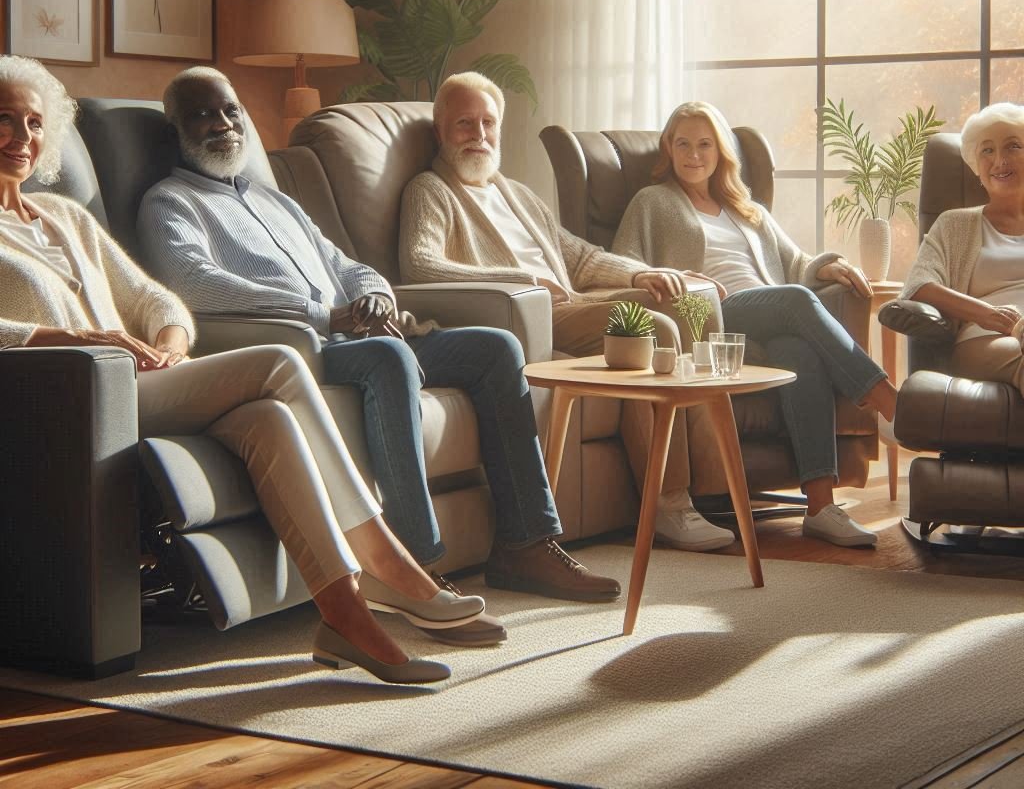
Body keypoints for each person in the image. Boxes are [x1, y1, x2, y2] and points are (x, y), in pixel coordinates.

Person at [0, 53, 491, 685]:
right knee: (280, 364)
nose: (22, 137)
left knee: (267, 420)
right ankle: (390, 565)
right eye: (4, 120)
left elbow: (158, 299)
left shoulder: (66, 216)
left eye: (34, 123)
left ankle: (346, 619)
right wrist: (72, 335)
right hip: (74, 393)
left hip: (146, 377)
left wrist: (172, 342)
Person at [137, 67, 620, 650]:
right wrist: (324, 312)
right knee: (389, 357)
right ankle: (415, 568)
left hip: (361, 332)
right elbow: (196, 285)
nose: (221, 124)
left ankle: (525, 544)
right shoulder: (169, 203)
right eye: (202, 115)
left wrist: (374, 294)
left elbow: (347, 264)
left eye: (230, 111)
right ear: (176, 129)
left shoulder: (273, 200)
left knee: (496, 350)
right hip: (299, 352)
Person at [399, 71, 737, 553]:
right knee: (652, 329)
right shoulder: (430, 190)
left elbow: (579, 257)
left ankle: (711, 486)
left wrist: (642, 274)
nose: (478, 136)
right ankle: (668, 501)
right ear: (439, 131)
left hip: (572, 304)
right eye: (464, 124)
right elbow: (420, 263)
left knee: (684, 301)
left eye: (488, 124)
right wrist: (524, 280)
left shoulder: (516, 194)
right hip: (524, 315)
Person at [613, 101, 898, 548]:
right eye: (683, 143)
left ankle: (821, 507)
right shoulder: (653, 202)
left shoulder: (748, 210)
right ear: (668, 148)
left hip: (768, 319)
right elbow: (623, 262)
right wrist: (684, 281)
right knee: (796, 301)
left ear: (720, 150)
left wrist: (831, 265)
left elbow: (794, 261)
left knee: (799, 348)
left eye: (704, 143)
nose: (693, 154)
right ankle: (889, 405)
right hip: (711, 320)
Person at [901, 102, 1024, 394]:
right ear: (977, 168)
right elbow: (918, 285)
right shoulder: (955, 224)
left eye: (1013, 147)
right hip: (986, 340)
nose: (1000, 161)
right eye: (987, 150)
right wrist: (988, 314)